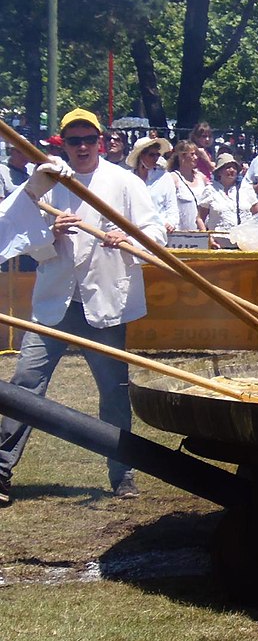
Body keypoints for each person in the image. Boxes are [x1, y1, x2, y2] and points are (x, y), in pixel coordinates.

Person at [0, 109, 166, 504]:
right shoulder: (47, 183)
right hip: (54, 303)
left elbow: (155, 230)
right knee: (25, 385)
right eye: (73, 141)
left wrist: (125, 238)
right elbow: (26, 240)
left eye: (88, 139)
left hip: (103, 303)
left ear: (101, 141)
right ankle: (1, 471)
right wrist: (48, 232)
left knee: (113, 393)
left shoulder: (123, 182)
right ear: (64, 145)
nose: (82, 147)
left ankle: (122, 475)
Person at [127, 135, 178, 232]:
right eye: (151, 155)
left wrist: (171, 223)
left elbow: (172, 207)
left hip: (160, 231)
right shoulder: (128, 178)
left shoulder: (164, 177)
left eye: (157, 155)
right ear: (141, 155)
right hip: (133, 231)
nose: (155, 158)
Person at [202, 152, 258, 234]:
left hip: (245, 241)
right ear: (219, 172)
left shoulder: (246, 189)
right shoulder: (210, 190)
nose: (231, 170)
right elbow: (200, 218)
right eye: (228, 167)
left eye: (234, 168)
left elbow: (257, 215)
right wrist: (207, 238)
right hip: (218, 242)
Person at [165, 139, 209, 232]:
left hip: (202, 233)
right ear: (182, 156)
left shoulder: (201, 178)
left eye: (197, 154)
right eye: (192, 154)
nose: (196, 157)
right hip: (180, 233)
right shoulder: (173, 178)